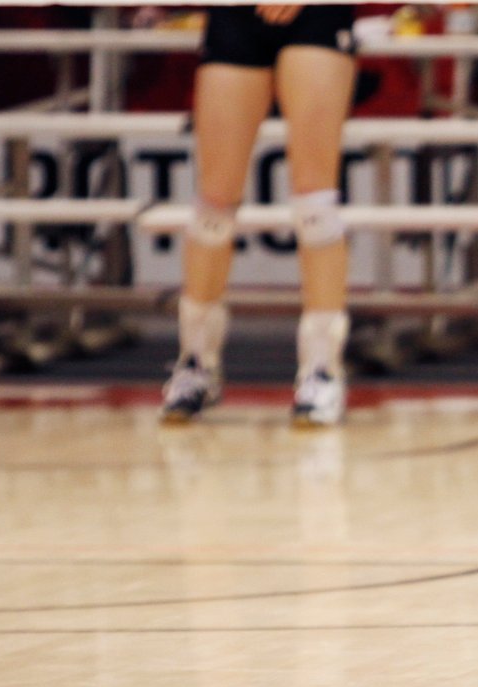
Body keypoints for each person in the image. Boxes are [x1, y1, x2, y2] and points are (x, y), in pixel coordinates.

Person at [161, 4, 356, 426]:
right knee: (213, 204)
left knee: (315, 203)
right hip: (236, 14)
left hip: (317, 15)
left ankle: (322, 369)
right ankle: (196, 362)